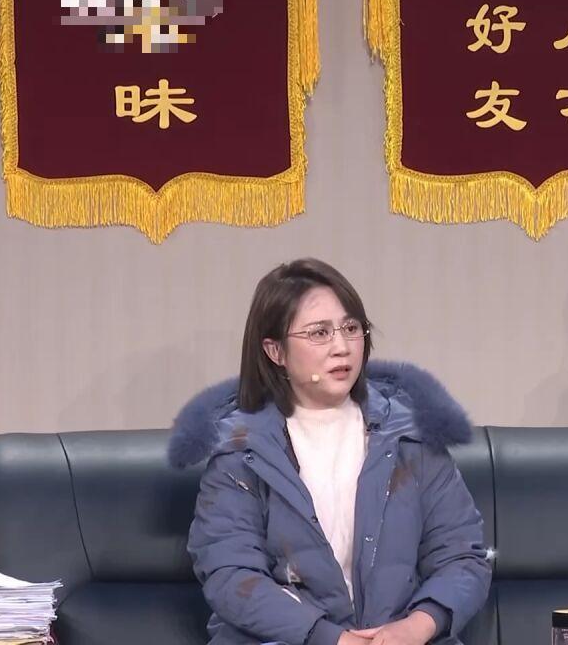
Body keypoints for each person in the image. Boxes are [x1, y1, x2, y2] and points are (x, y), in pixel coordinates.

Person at [169, 259, 491, 645]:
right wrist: (330, 638)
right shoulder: (239, 451)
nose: (342, 347)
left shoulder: (411, 436)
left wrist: (416, 627)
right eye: (319, 333)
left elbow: (462, 557)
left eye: (351, 328)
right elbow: (232, 575)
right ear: (275, 351)